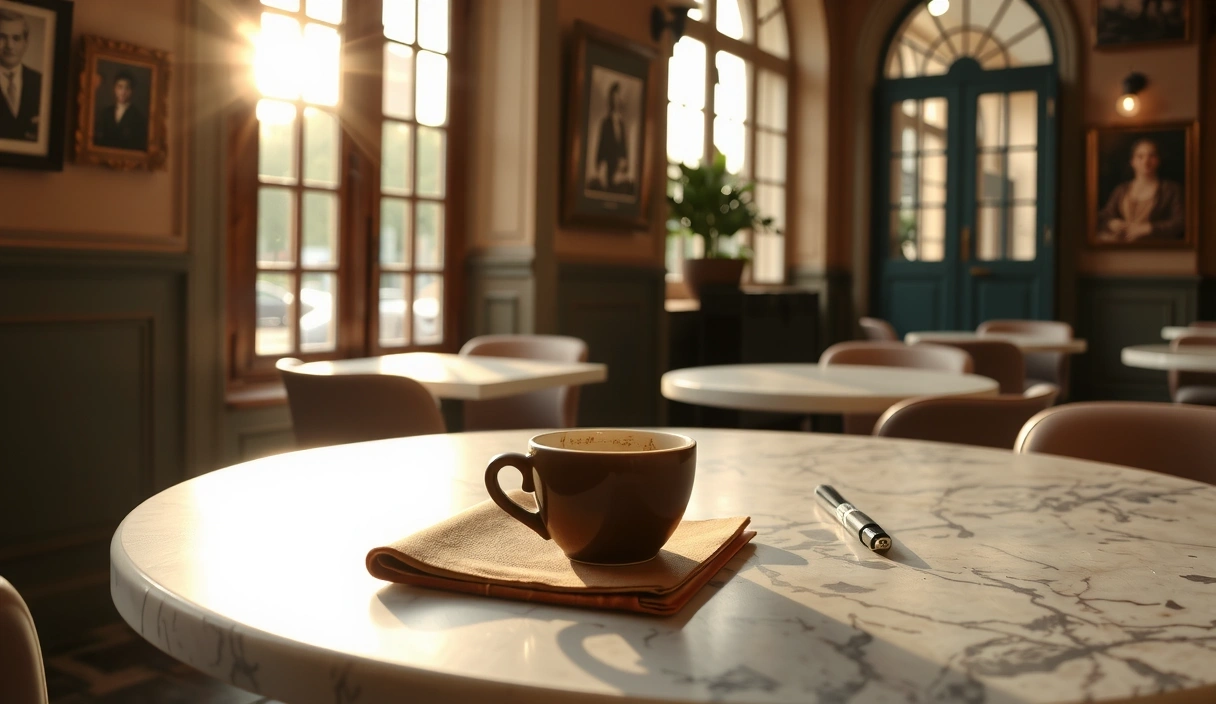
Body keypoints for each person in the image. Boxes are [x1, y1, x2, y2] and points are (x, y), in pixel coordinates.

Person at [1096, 138, 1185, 242]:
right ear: (1132, 162)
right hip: (1122, 246)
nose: (1146, 161)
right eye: (1140, 156)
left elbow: (1180, 222)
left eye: (1151, 156)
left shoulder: (1170, 189)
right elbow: (1104, 215)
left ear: (1158, 160)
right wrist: (1112, 223)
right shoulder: (1121, 190)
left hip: (1155, 247)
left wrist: (1148, 228)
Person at [0, 8, 41, 142]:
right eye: (2, 37)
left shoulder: (41, 82)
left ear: (26, 43)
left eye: (16, 38)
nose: (9, 46)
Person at [592, 82, 633, 195]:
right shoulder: (605, 123)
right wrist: (600, 165)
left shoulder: (622, 124)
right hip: (608, 167)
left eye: (618, 97)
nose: (617, 100)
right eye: (614, 97)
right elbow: (601, 145)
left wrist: (624, 162)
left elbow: (623, 145)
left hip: (620, 169)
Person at [93, 69, 148, 151]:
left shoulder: (138, 117)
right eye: (120, 87)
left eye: (127, 88)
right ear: (115, 89)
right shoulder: (105, 113)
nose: (123, 92)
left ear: (132, 91)